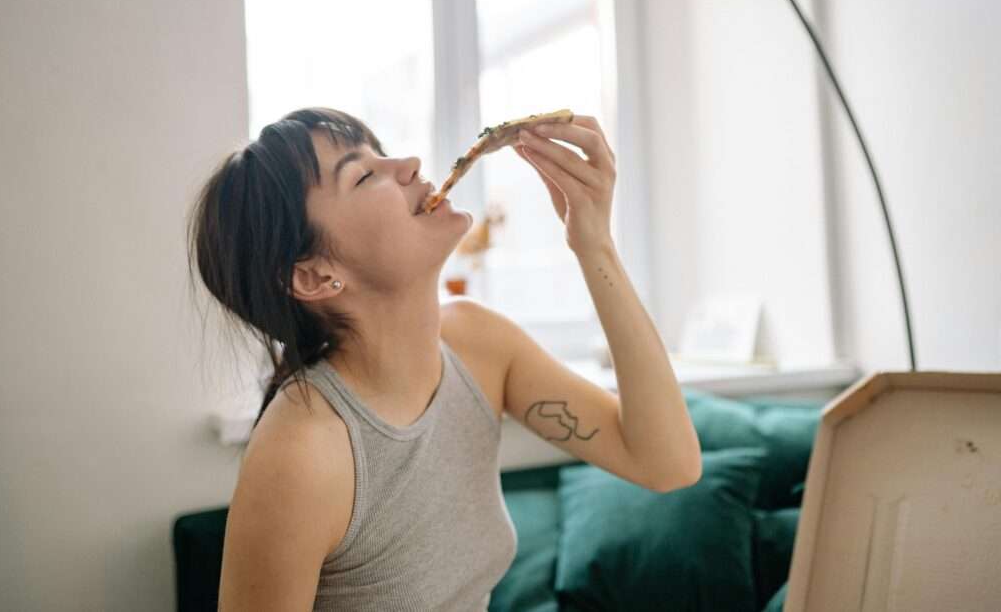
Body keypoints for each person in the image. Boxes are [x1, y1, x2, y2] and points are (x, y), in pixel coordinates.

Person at [186, 106, 701, 610]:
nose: (408, 163)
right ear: (314, 276)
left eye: (380, 153)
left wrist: (594, 244)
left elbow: (666, 463)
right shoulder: (300, 451)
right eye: (364, 176)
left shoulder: (479, 345)